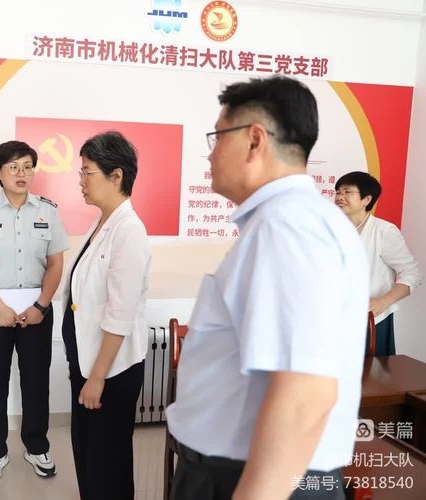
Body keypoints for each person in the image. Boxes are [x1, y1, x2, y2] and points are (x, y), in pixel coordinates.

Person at [166, 76, 369, 499]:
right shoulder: (294, 219)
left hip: (257, 479)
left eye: (217, 137)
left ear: (254, 140)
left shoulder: (288, 225)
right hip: (260, 471)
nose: (210, 154)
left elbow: (305, 394)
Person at [0, 140, 69, 483]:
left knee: (36, 383)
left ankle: (36, 447)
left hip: (37, 312)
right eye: (13, 167)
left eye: (27, 166)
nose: (22, 173)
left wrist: (41, 306)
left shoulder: (47, 211)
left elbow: (55, 263)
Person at [59, 131, 151, 500]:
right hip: (87, 364)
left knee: (106, 462)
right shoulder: (102, 223)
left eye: (87, 172)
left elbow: (120, 313)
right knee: (88, 454)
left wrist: (97, 378)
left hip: (110, 372)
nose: (81, 181)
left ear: (116, 176)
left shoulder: (128, 230)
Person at [334, 171, 422, 355]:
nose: (340, 197)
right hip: (335, 317)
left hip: (371, 320)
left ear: (367, 199)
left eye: (347, 192)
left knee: (372, 371)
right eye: (338, 192)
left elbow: (412, 274)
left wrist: (384, 301)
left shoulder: (384, 231)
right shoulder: (333, 229)